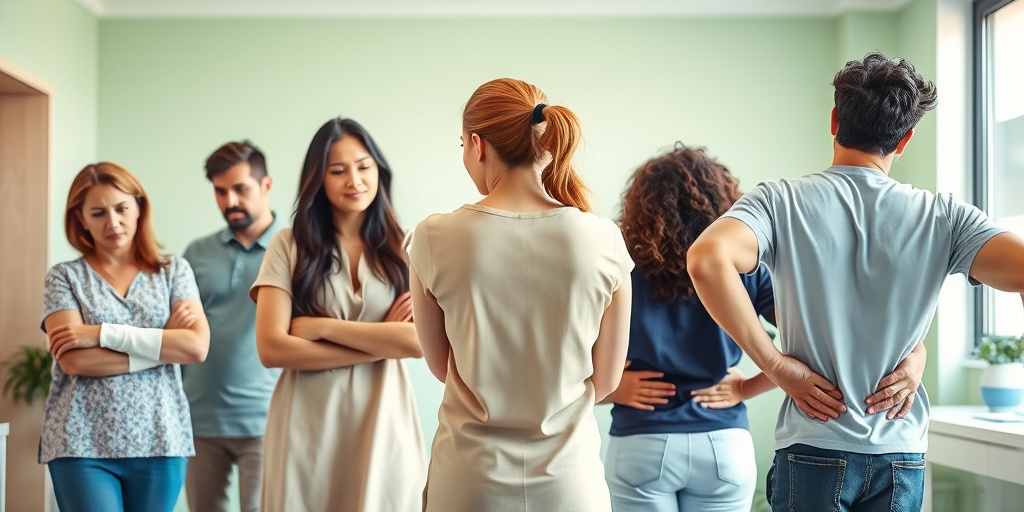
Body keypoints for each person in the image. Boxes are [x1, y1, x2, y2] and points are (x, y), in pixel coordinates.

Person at [688, 52, 1024, 511]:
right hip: (898, 451)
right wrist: (916, 352)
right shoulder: (944, 216)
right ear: (904, 140)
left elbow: (706, 260)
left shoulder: (779, 201)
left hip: (812, 447)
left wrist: (775, 365)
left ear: (834, 121)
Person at [603, 144, 927, 512]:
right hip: (724, 443)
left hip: (641, 440)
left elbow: (573, 351)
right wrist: (745, 388)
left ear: (640, 209)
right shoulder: (746, 269)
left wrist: (612, 391)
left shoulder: (622, 267)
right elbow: (812, 337)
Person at [408, 77, 634, 512]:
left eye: (462, 146)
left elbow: (440, 365)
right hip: (570, 484)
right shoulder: (603, 238)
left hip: (469, 482)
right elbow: (606, 381)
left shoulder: (434, 236)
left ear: (477, 144)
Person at [251, 117, 426, 512]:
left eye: (364, 166)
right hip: (306, 422)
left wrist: (321, 327)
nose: (355, 180)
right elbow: (273, 348)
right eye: (338, 170)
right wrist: (382, 340)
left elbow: (417, 343)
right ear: (318, 178)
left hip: (384, 419)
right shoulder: (288, 245)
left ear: (378, 170)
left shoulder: (409, 245)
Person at [41, 162, 210, 512]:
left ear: (139, 208)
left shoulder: (174, 271)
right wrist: (164, 341)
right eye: (98, 212)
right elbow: (74, 360)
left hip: (160, 439)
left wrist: (99, 333)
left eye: (121, 209)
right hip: (81, 442)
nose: (113, 222)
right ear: (81, 218)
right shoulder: (63, 277)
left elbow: (195, 347)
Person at [181, 141, 284, 512]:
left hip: (268, 419)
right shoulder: (196, 253)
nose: (230, 201)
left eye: (241, 189)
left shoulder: (295, 248)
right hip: (199, 418)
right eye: (220, 191)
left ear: (266, 186)